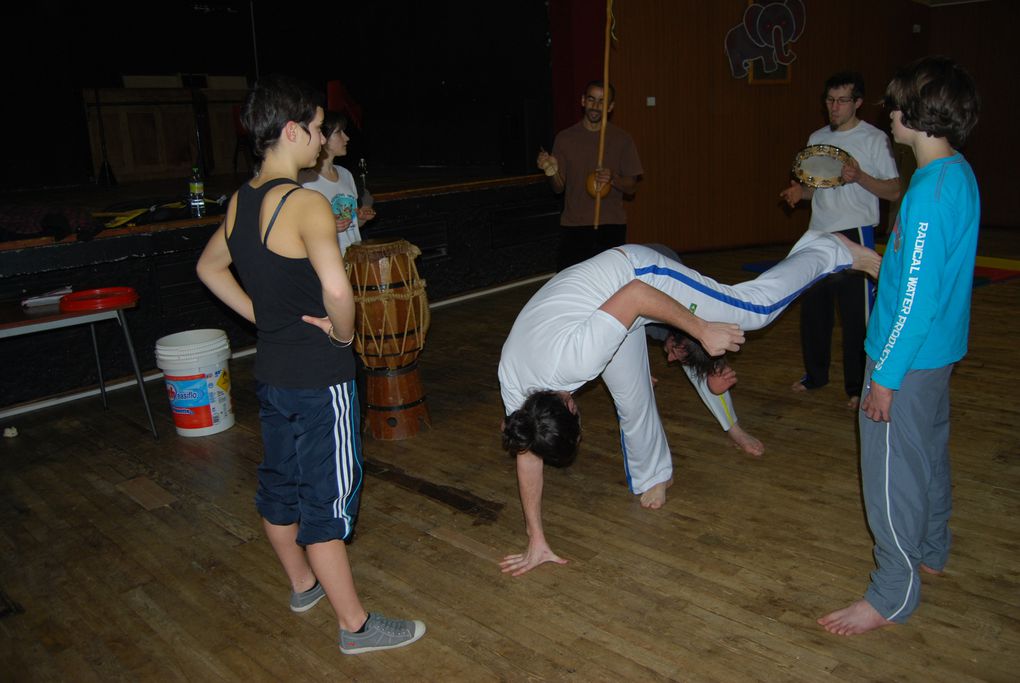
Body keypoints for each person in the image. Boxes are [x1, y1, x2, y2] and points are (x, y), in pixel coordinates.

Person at [195, 75, 425, 655]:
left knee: (280, 484)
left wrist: (262, 315)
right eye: (319, 129)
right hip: (321, 379)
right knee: (326, 499)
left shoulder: (240, 202)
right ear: (292, 130)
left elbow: (208, 268)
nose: (324, 140)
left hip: (272, 373)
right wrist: (344, 337)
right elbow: (338, 292)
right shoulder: (306, 204)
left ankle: (302, 585)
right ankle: (357, 628)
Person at [498, 233, 881, 576]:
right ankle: (654, 476)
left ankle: (829, 249)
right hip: (599, 312)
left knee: (755, 311)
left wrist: (702, 330)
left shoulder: (578, 360)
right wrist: (536, 538)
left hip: (639, 277)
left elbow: (635, 295)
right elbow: (527, 453)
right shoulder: (519, 394)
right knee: (632, 400)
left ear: (569, 404)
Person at [818, 56, 980, 636]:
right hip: (934, 355)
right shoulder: (955, 174)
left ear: (918, 113)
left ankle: (892, 592)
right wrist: (870, 263)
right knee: (927, 457)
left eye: (895, 104)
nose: (888, 113)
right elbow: (924, 278)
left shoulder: (927, 195)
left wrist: (882, 376)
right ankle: (933, 548)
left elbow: (913, 299)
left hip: (902, 362)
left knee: (890, 476)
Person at [781, 72, 901, 408]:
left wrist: (860, 176)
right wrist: (798, 192)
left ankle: (856, 386)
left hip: (856, 232)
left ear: (858, 102)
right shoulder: (816, 136)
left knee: (856, 316)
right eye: (830, 100)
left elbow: (893, 190)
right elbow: (815, 186)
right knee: (814, 312)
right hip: (818, 232)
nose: (834, 107)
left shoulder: (873, 139)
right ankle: (815, 376)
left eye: (842, 101)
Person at [643, 244, 763, 456]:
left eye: (672, 352)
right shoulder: (646, 310)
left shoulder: (704, 308)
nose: (669, 359)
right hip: (634, 279)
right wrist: (638, 371)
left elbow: (705, 348)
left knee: (691, 355)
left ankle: (734, 429)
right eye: (673, 349)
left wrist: (715, 375)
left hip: (674, 288)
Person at [537, 80, 643, 270]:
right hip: (574, 225)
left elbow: (632, 188)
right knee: (571, 286)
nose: (596, 106)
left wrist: (613, 179)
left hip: (611, 225)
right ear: (583, 101)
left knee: (611, 287)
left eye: (602, 101)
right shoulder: (565, 138)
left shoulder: (622, 139)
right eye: (592, 99)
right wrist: (551, 171)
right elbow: (558, 187)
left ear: (610, 107)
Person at [299, 111, 375, 255]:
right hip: (328, 261)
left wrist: (359, 219)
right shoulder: (304, 181)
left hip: (354, 259)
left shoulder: (346, 175)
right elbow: (299, 231)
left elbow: (351, 228)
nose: (346, 138)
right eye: (339, 132)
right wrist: (327, 227)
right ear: (323, 137)